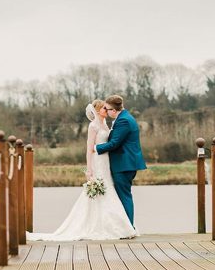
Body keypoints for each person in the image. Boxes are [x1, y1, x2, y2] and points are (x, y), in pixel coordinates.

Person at [26, 99, 137, 241]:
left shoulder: (105, 124)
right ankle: (104, 226)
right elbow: (89, 149)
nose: (107, 110)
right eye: (104, 108)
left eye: (107, 108)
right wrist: (89, 169)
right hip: (98, 161)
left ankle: (115, 225)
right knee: (102, 191)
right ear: (97, 111)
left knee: (110, 190)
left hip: (107, 162)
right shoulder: (93, 126)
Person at [95, 94, 147, 226]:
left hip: (124, 164)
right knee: (123, 195)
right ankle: (126, 226)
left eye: (107, 109)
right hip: (125, 164)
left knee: (124, 196)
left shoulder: (123, 121)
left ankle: (129, 227)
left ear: (113, 110)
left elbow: (114, 143)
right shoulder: (124, 118)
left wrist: (95, 148)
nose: (105, 111)